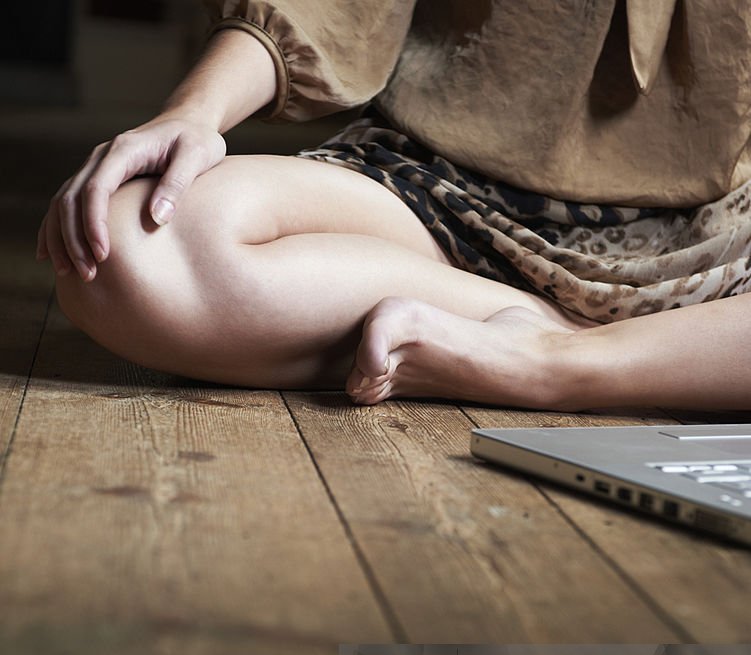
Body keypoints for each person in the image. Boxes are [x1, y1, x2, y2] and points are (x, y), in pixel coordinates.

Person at [41, 0, 751, 410]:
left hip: (716, 241)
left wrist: (557, 368)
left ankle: (558, 362)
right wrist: (192, 113)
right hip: (443, 195)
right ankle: (623, 350)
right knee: (123, 249)